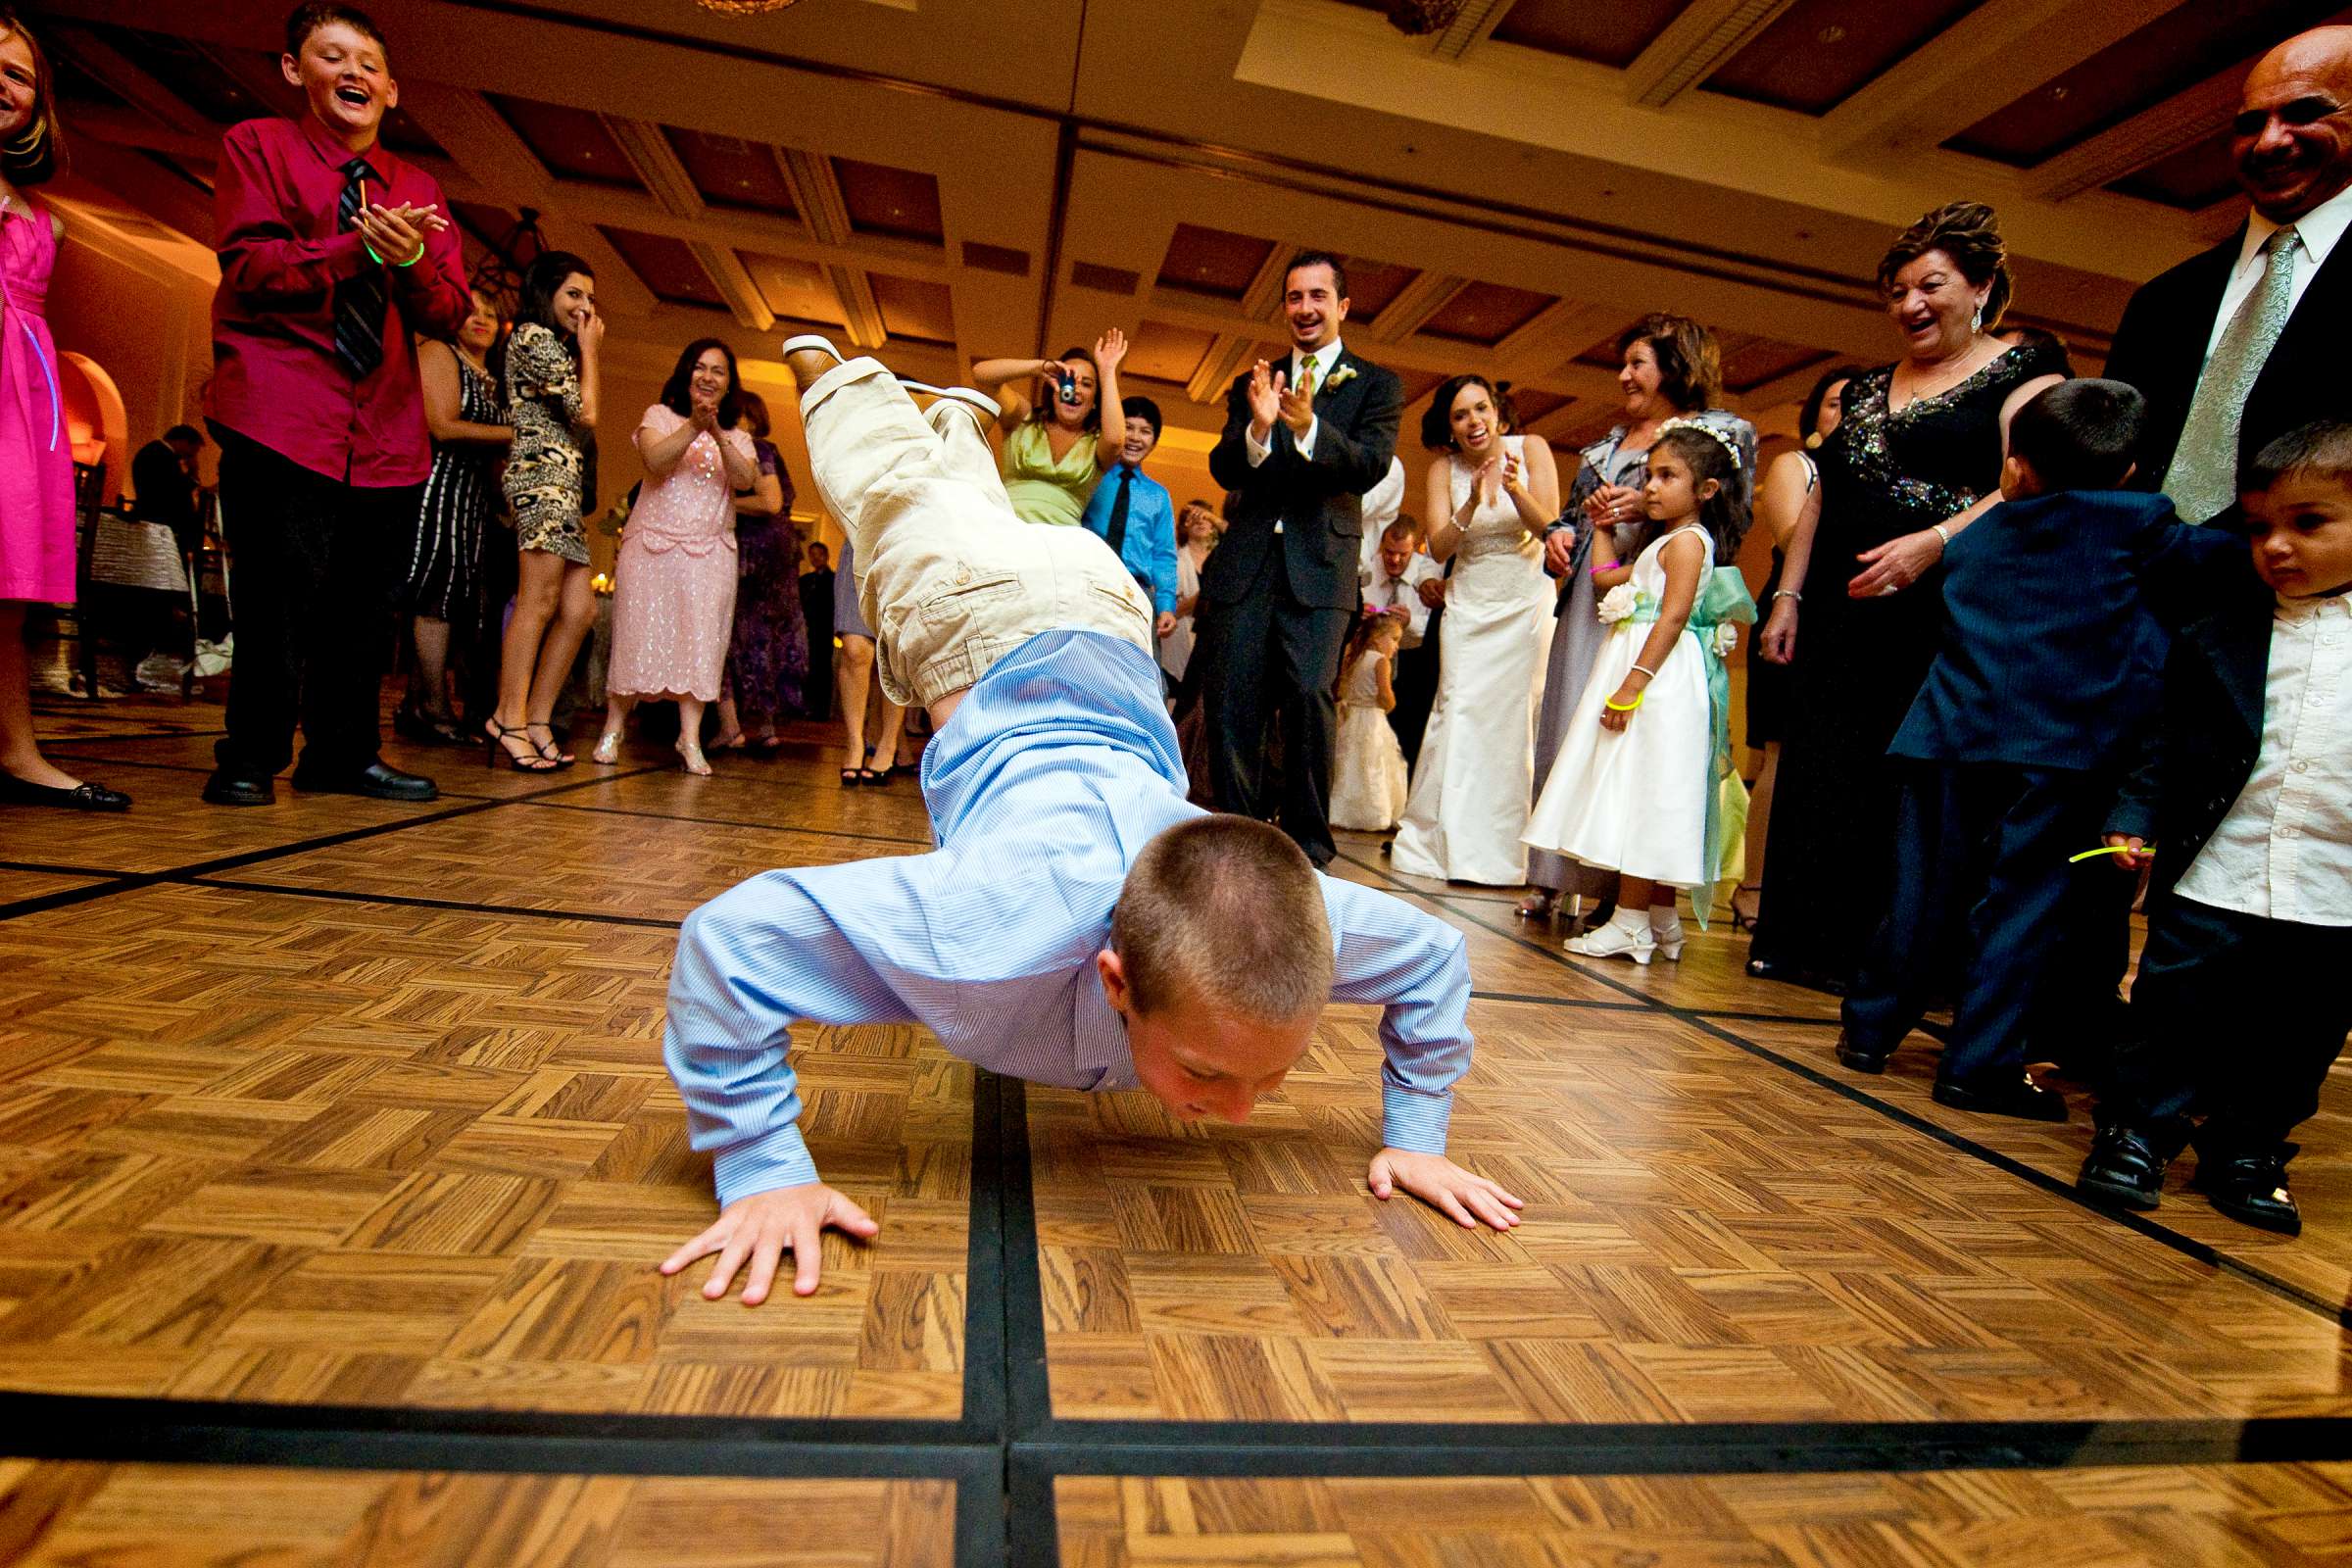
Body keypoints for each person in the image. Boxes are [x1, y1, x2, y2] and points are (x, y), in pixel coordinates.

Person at [658, 333, 1519, 1304]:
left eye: (1267, 1084)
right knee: (887, 489)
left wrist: (1419, 1138)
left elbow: (1436, 959)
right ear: (1115, 977)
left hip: (1105, 599)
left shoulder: (1287, 916)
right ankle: (855, 385)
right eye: (1208, 1070)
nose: (1234, 1116)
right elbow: (724, 945)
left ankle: (962, 428)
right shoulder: (987, 926)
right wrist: (762, 1162)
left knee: (961, 506)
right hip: (986, 616)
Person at [1834, 380, 2235, 1120]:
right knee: (2019, 909)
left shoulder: (1981, 533)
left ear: (2016, 464)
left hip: (1947, 736)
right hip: (2059, 749)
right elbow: (2218, 563)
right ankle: (1978, 1066)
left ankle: (1868, 1030)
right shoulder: (2138, 522)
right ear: (2127, 471)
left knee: (1920, 894)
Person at [1747, 202, 2065, 991]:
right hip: (1838, 605)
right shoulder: (1860, 387)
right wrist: (1788, 596)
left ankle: (1894, 961)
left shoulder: (2028, 373)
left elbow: (2026, 483)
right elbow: (1823, 493)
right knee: (1825, 770)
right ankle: (1804, 945)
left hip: (1942, 611)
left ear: (1982, 285)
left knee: (1913, 785)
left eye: (1930, 285)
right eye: (1896, 292)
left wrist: (1937, 545)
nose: (1910, 305)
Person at [2075, 420, 2352, 1236]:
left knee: (2300, 1031)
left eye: (2309, 524)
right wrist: (2133, 817)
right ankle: (2137, 1132)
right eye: (2261, 527)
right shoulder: (2219, 634)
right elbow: (2163, 741)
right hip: (2219, 867)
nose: (2277, 546)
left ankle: (2250, 1147)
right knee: (2174, 1006)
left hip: (2336, 886)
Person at [201, 2, 469, 808]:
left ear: (391, 89)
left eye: (368, 64)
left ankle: (343, 755)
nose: (352, 72)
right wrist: (358, 249)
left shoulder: (418, 188)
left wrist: (413, 257)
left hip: (385, 427)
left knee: (363, 607)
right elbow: (250, 268)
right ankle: (249, 755)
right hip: (280, 410)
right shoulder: (256, 147)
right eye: (331, 56)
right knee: (276, 597)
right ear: (295, 70)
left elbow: (449, 311)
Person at [1523, 317, 1754, 920]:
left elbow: (1730, 519)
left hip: (1657, 602)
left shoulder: (1720, 435)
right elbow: (1573, 514)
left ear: (1676, 367)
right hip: (1595, 595)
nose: (1623, 375)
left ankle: (1620, 894)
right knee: (1574, 726)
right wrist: (1559, 534)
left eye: (1637, 363)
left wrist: (1647, 513)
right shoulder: (1602, 446)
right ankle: (1554, 874)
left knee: (1640, 746)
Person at [1201, 252, 1405, 868]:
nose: (1305, 308)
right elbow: (1223, 467)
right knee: (1234, 702)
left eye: (1318, 296)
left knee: (1312, 699)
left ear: (1342, 307)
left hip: (1320, 568)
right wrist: (1259, 430)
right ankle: (1238, 837)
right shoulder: (1255, 382)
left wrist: (1311, 427)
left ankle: (1308, 848)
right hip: (1247, 568)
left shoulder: (1376, 384)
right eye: (1294, 297)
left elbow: (1368, 465)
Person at [2103, 26, 2352, 528]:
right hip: (2129, 587)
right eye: (2250, 123)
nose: (2269, 142)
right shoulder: (2162, 301)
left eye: (2304, 113)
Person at [0, 10, 127, 811]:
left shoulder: (37, 208)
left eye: (15, 75)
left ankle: (15, 747)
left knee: (8, 588)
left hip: (21, 399)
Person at [1391, 375, 1559, 885]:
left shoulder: (1531, 448)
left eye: (1480, 409)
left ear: (1497, 411)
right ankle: (1445, 844)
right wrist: (1470, 503)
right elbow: (1439, 549)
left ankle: (1510, 850)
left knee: (1516, 721)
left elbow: (1549, 525)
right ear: (1451, 428)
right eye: (1461, 416)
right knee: (1457, 711)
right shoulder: (1444, 469)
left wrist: (1511, 488)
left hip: (1525, 603)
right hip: (1468, 607)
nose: (1473, 422)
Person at [591, 339, 756, 776]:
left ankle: (689, 738)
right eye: (700, 367)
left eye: (718, 371)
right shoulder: (658, 417)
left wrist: (716, 431)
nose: (707, 377)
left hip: (710, 553)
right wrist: (693, 427)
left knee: (701, 643)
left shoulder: (739, 436)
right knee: (634, 634)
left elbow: (744, 480)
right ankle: (613, 729)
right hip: (652, 548)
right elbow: (656, 461)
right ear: (687, 374)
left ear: (729, 384)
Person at [1740, 366, 1862, 927]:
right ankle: (1755, 886)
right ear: (1815, 413)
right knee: (1779, 754)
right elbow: (1793, 538)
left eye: (1858, 406)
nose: (1846, 415)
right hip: (1794, 614)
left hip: (1852, 620)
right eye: (1836, 404)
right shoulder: (1799, 465)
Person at [486, 251, 601, 771]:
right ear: (547, 293)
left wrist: (581, 350)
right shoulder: (532, 337)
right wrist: (591, 351)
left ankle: (537, 717)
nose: (584, 307)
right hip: (539, 479)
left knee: (580, 611)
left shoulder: (554, 346)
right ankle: (507, 718)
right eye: (573, 294)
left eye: (589, 298)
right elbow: (590, 414)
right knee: (538, 601)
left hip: (565, 485)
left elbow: (579, 421)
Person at [396, 285, 507, 748]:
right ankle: (437, 709)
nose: (481, 318)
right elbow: (441, 424)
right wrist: (516, 432)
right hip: (438, 487)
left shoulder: (491, 376)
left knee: (455, 600)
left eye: (490, 313)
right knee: (434, 596)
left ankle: (417, 705)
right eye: (471, 309)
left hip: (473, 498)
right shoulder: (441, 353)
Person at [714, 390, 807, 753]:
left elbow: (770, 501)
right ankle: (762, 727)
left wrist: (717, 502)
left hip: (754, 558)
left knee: (737, 637)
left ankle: (733, 727)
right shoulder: (768, 452)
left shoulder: (759, 450)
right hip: (775, 557)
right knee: (763, 639)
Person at [973, 333, 1128, 527]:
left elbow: (1116, 441)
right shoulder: (1023, 417)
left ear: (1095, 401)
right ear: (1054, 389)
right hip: (1005, 528)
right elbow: (981, 375)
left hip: (1062, 545)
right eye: (1069, 380)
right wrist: (1039, 367)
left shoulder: (1096, 442)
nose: (1076, 389)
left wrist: (1107, 371)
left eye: (1087, 384)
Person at [1077, 395, 1181, 643]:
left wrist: (1166, 605)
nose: (1135, 437)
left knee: (1135, 672)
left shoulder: (1158, 496)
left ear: (1154, 441)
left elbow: (1163, 555)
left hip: (1136, 592)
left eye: (1145, 431)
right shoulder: (1091, 475)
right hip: (1088, 582)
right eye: (1128, 427)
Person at [1359, 516, 1443, 768]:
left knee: (1407, 738)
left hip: (1414, 664)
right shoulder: (1368, 570)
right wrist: (1361, 615)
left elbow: (1436, 626)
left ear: (1414, 548)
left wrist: (1410, 623)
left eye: (1402, 555)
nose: (1394, 560)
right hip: (1369, 666)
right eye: (1389, 552)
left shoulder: (1427, 572)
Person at [830, 532, 904, 786]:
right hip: (860, 533)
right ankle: (854, 742)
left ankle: (888, 743)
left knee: (892, 649)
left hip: (906, 539)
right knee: (854, 648)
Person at [1329, 609, 1409, 832]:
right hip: (1372, 720)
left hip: (1350, 718)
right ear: (1377, 638)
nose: (1396, 647)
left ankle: (1340, 811)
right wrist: (1391, 703)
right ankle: (1373, 814)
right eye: (1393, 640)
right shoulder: (1380, 661)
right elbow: (1385, 697)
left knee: (1348, 765)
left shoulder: (1354, 657)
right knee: (1374, 766)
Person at [1157, 501, 1216, 694]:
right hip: (1181, 640)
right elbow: (1170, 609)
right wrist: (1204, 596)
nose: (1200, 521)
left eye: (1205, 517)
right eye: (1193, 518)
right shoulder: (1173, 563)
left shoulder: (1223, 559)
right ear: (1184, 527)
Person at [130, 424, 206, 558]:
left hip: (158, 522)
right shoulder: (161, 455)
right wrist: (193, 473)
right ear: (184, 442)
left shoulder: (156, 452)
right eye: (192, 452)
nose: (191, 456)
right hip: (160, 522)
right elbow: (176, 490)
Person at [800, 539, 834, 721]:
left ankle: (822, 710)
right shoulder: (805, 581)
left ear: (826, 556)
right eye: (812, 555)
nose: (815, 558)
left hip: (824, 632)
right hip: (807, 631)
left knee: (822, 670)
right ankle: (806, 706)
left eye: (819, 554)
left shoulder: (834, 581)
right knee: (807, 669)